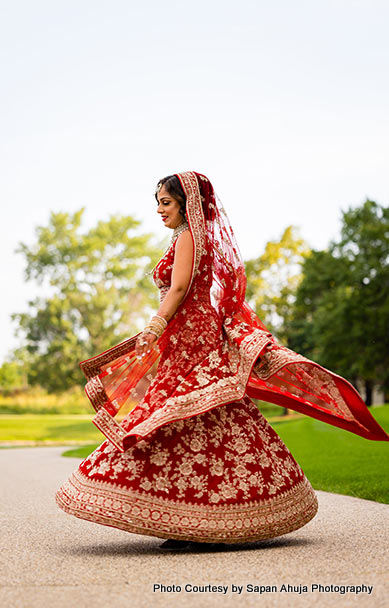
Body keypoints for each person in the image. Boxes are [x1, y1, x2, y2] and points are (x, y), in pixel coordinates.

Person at [55, 171, 389, 551]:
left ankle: (204, 520)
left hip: (193, 337)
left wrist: (153, 326)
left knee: (191, 416)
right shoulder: (189, 236)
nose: (159, 210)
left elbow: (179, 287)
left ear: (187, 203)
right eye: (158, 203)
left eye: (166, 202)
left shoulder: (189, 237)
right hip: (185, 337)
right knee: (188, 422)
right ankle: (189, 519)